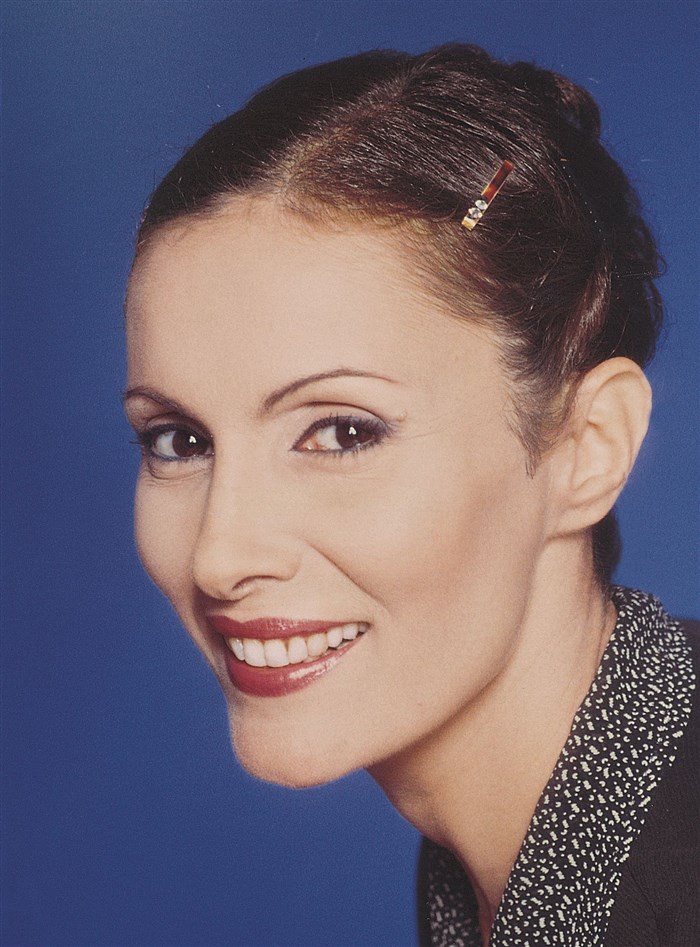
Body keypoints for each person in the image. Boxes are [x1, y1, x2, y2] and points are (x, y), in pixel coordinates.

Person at [123, 45, 698, 946]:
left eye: (342, 432)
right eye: (179, 440)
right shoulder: (503, 867)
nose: (219, 555)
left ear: (589, 447)